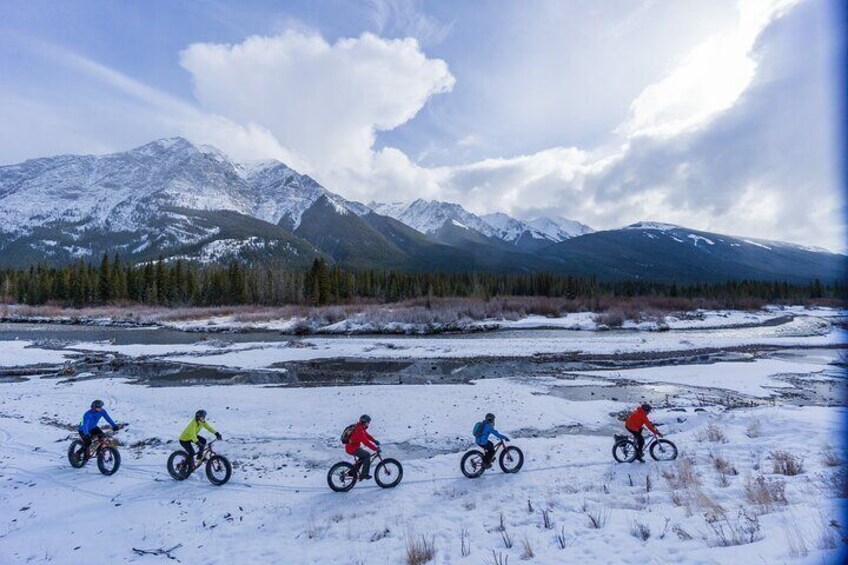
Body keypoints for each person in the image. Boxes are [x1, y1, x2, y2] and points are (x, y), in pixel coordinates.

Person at [345, 414, 380, 480]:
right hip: (352, 448)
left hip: (352, 447)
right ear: (365, 422)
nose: (368, 424)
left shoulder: (360, 427)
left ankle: (351, 472)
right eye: (368, 422)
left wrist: (374, 441)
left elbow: (367, 436)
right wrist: (375, 448)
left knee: (362, 457)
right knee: (367, 455)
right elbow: (366, 442)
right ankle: (364, 474)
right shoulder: (359, 430)